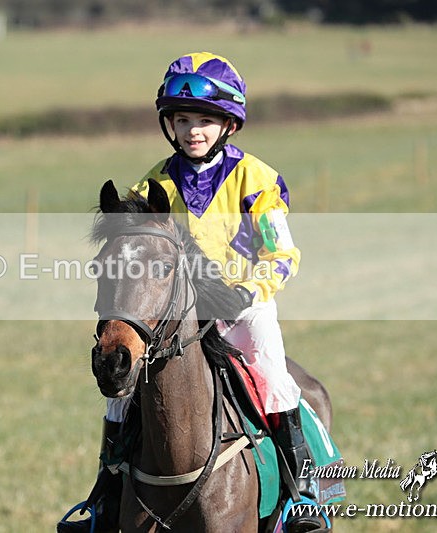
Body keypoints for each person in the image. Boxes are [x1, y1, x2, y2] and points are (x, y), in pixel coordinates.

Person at [59, 52, 322, 533]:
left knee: (273, 374)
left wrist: (248, 290)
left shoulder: (256, 178)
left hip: (244, 304)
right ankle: (103, 498)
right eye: (183, 120)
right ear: (169, 124)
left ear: (228, 125)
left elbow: (282, 254)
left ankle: (302, 497)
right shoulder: (154, 181)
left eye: (205, 120)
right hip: (178, 309)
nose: (193, 130)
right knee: (120, 397)